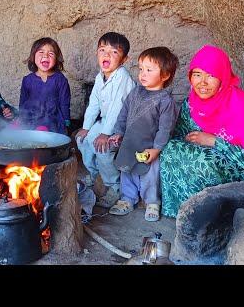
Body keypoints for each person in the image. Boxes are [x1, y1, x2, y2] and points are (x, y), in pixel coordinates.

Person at [159, 44, 244, 218]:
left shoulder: (241, 106)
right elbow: (180, 134)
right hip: (203, 156)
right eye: (197, 75)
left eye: (211, 75)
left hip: (238, 171)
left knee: (204, 160)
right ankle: (181, 213)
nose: (202, 82)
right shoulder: (192, 103)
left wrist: (214, 141)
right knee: (169, 150)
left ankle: (212, 217)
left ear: (223, 77)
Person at [107, 47, 179, 222]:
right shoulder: (135, 92)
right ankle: (127, 199)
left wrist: (157, 149)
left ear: (165, 75)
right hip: (130, 142)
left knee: (150, 175)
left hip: (149, 146)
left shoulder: (165, 100)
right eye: (140, 69)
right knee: (127, 171)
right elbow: (123, 113)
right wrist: (118, 132)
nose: (143, 74)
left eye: (149, 70)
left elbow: (165, 128)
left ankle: (152, 202)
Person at [75, 32, 135, 208]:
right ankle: (95, 174)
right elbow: (94, 104)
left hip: (122, 127)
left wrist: (105, 134)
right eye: (102, 50)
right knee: (83, 140)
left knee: (103, 148)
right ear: (96, 54)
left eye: (114, 52)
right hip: (105, 123)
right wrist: (86, 127)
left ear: (124, 59)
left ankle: (113, 186)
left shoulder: (122, 77)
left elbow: (117, 109)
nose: (107, 55)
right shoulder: (100, 76)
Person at [18, 37, 71, 135]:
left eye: (51, 53)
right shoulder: (27, 80)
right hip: (31, 117)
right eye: (41, 52)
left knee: (43, 134)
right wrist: (20, 118)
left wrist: (66, 122)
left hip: (52, 120)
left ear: (56, 58)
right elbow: (23, 101)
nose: (46, 55)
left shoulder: (60, 80)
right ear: (33, 56)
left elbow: (64, 103)